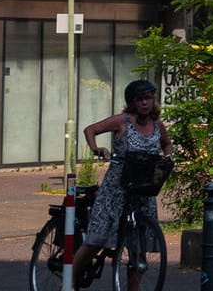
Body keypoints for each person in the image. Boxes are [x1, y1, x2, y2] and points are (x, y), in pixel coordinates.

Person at [74, 79, 171, 289]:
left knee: (138, 248)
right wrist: (96, 149)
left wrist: (169, 157)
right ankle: (68, 282)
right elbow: (90, 130)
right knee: (96, 239)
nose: (145, 103)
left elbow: (166, 144)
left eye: (148, 98)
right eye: (140, 99)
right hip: (116, 189)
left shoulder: (158, 125)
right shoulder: (123, 121)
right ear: (132, 102)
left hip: (142, 190)